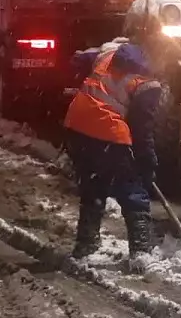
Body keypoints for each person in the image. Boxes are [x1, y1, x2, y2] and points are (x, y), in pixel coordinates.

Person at [64, 41, 164, 258]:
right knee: (133, 188)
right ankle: (140, 253)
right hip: (109, 133)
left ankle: (86, 244)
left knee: (92, 185)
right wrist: (147, 163)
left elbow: (81, 57)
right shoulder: (148, 85)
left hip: (77, 127)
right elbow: (142, 130)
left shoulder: (106, 56)